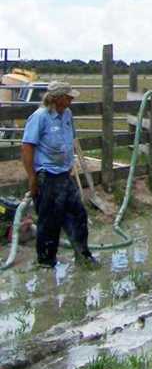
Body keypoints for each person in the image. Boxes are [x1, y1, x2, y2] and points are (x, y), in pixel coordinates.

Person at [21, 80, 98, 268]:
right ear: (57, 98)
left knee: (78, 214)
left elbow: (70, 139)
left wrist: (70, 164)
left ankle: (82, 255)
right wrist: (32, 177)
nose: (71, 99)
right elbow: (27, 147)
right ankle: (46, 261)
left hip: (64, 174)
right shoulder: (40, 117)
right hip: (47, 176)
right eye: (68, 96)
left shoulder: (67, 114)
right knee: (49, 221)